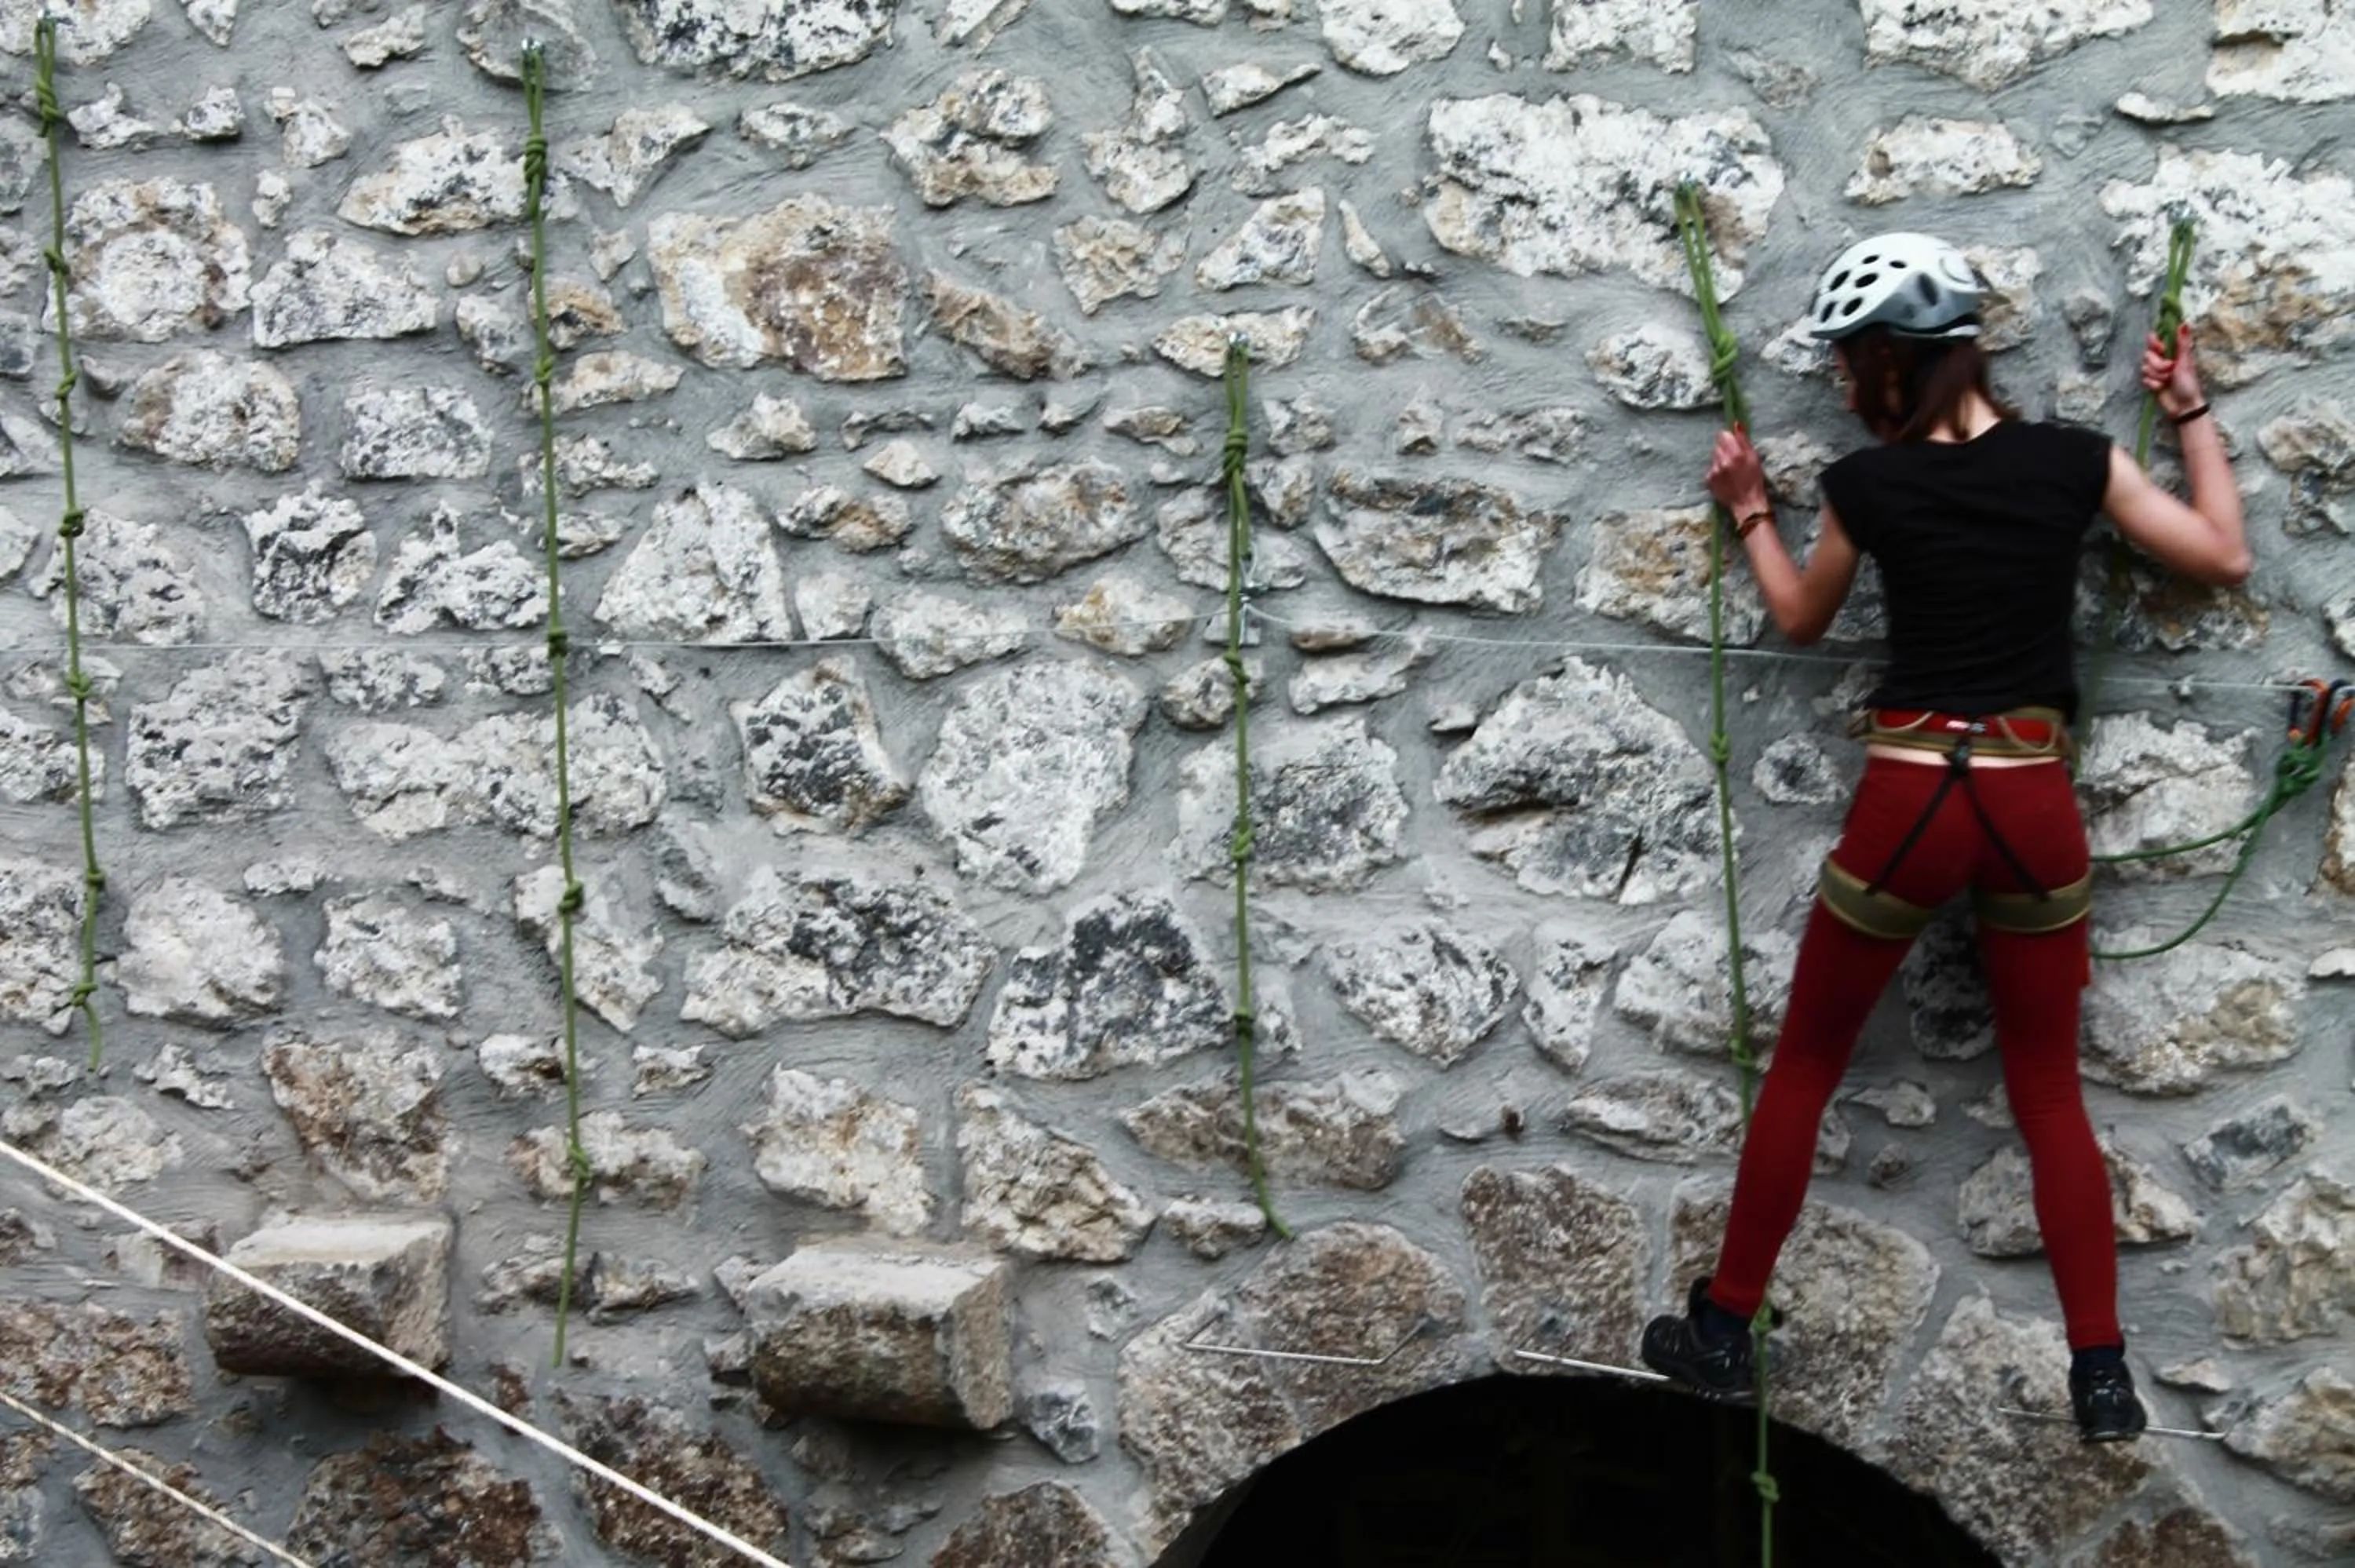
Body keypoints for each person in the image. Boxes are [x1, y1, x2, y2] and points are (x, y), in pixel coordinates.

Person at [1637, 232, 2251, 1442]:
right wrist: (2190, 412)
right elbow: (2223, 556)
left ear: (1882, 366)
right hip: (2030, 800)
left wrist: (1753, 513)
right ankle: (2102, 1370)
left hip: (1909, 797)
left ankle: (1722, 1326)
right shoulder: (2076, 464)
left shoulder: (1869, 489)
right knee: (2049, 1093)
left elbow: (1803, 620)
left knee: (1809, 1061)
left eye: (1851, 367)